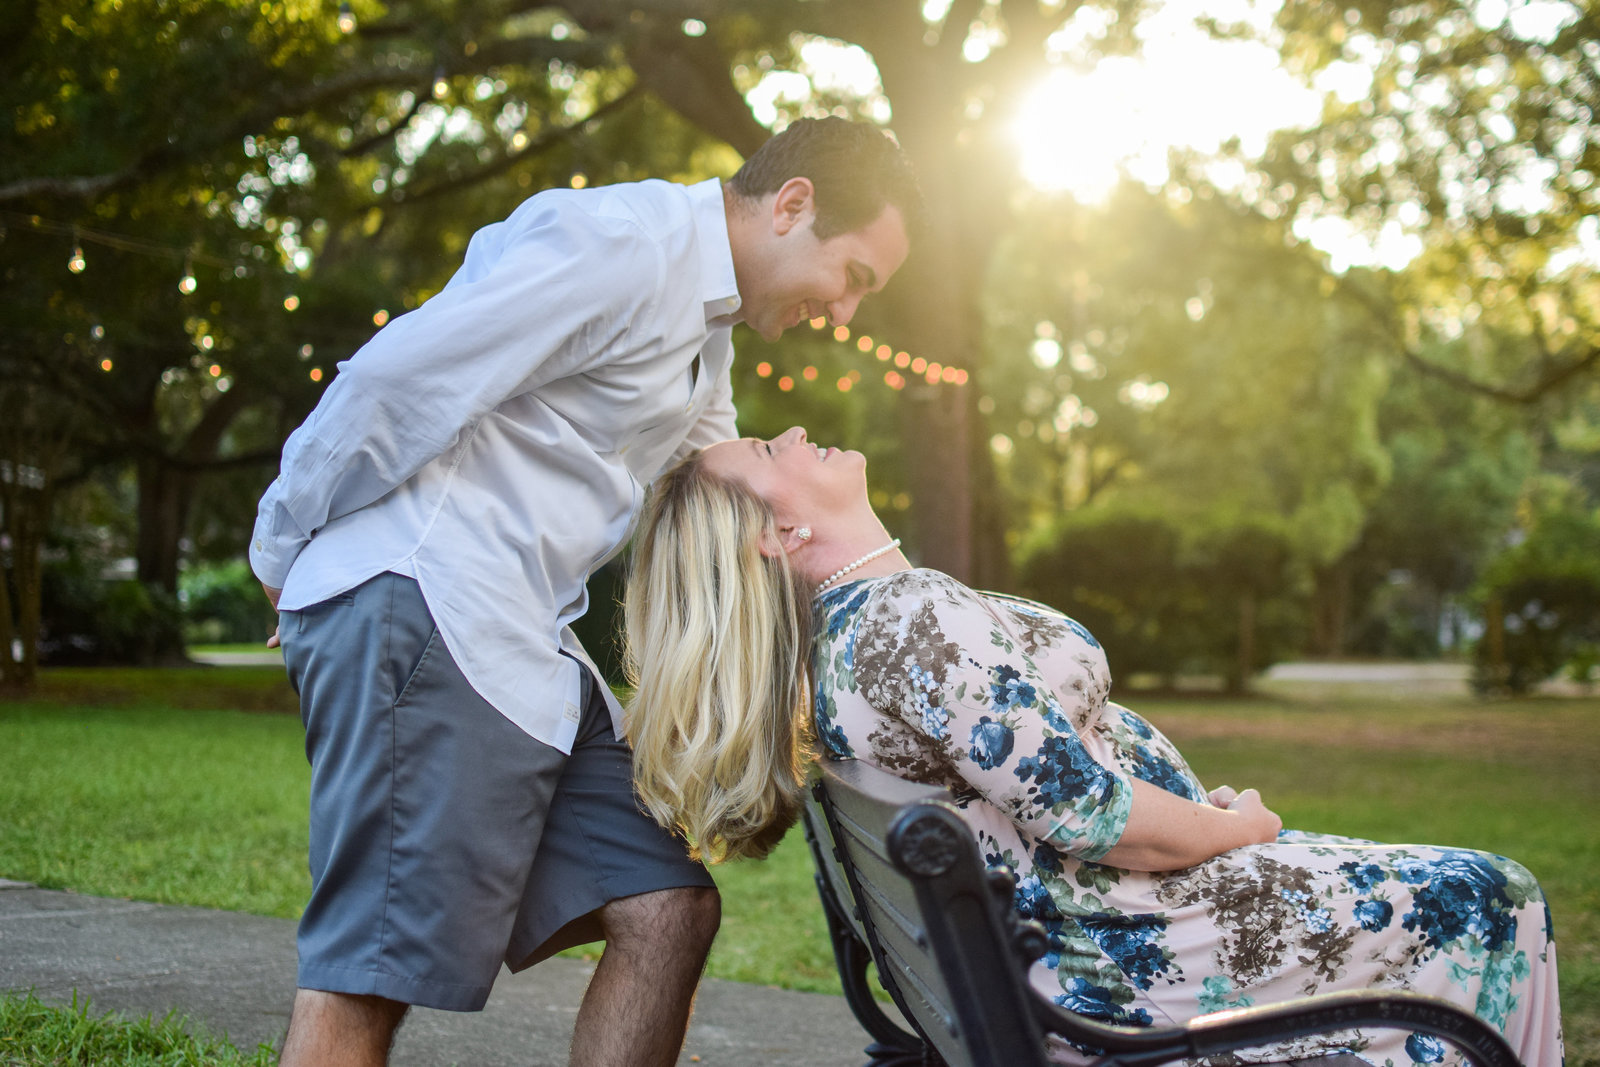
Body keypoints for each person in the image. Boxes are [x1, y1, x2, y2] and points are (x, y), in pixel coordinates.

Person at [248, 121, 923, 1067]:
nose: (847, 313)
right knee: (369, 974)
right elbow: (394, 382)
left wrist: (877, 579)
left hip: (522, 641)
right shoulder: (618, 248)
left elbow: (717, 473)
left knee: (666, 903)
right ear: (794, 204)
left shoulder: (707, 324)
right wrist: (279, 548)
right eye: (852, 277)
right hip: (430, 599)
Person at [622, 426, 1565, 1067]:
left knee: (1464, 897)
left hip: (1101, 934)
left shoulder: (863, 630)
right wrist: (1239, 827)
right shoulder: (907, 622)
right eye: (765, 448)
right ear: (778, 533)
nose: (793, 435)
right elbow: (1099, 815)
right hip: (1130, 958)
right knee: (1496, 899)